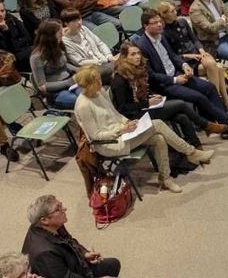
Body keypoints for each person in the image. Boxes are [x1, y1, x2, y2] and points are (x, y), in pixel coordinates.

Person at [73, 65, 211, 195]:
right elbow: (95, 136)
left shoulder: (100, 92)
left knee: (159, 138)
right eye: (96, 80)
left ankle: (165, 178)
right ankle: (191, 152)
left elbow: (115, 114)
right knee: (157, 124)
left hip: (123, 132)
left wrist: (127, 122)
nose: (100, 82)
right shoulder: (83, 105)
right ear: (88, 85)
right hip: (110, 143)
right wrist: (121, 131)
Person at [133, 8, 228, 137]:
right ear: (145, 26)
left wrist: (184, 65)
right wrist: (175, 80)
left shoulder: (160, 36)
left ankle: (223, 125)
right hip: (165, 85)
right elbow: (151, 75)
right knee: (199, 97)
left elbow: (173, 56)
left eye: (159, 21)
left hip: (178, 74)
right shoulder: (142, 46)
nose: (159, 24)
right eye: (154, 22)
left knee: (210, 88)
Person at [112, 41, 225, 146]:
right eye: (132, 54)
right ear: (124, 57)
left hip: (144, 106)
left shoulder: (139, 69)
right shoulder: (120, 79)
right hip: (134, 116)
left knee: (182, 116)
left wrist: (151, 95)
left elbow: (144, 89)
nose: (137, 56)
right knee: (180, 104)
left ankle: (195, 147)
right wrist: (147, 103)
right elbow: (124, 108)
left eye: (138, 53)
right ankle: (206, 125)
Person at [21, 194, 124, 278]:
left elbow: (69, 241)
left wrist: (84, 253)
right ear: (44, 220)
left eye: (61, 205)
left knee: (112, 265)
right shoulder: (44, 252)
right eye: (58, 209)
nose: (64, 209)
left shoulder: (53, 225)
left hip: (72, 268)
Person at [30, 19, 78, 110]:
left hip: (70, 83)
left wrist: (79, 70)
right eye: (60, 33)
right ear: (50, 36)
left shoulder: (58, 45)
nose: (62, 35)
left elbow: (64, 64)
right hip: (55, 93)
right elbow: (42, 87)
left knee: (91, 93)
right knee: (80, 100)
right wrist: (68, 82)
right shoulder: (36, 57)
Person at [60, 8, 114, 81]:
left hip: (103, 61)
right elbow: (80, 62)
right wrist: (101, 61)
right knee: (119, 68)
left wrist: (108, 55)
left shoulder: (84, 29)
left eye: (79, 19)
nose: (79, 23)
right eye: (74, 21)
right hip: (90, 70)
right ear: (66, 24)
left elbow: (100, 43)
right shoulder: (65, 41)